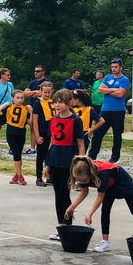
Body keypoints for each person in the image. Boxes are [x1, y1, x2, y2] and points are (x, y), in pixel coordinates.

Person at [66, 156, 133, 253]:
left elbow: (100, 197)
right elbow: (84, 192)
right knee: (105, 210)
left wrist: (90, 214)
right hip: (109, 184)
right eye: (78, 180)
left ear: (91, 173)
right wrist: (71, 207)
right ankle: (105, 242)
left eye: (84, 181)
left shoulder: (102, 174)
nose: (81, 183)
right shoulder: (83, 170)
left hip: (123, 182)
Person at [46, 89, 86, 232]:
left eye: (61, 102)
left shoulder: (76, 120)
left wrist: (81, 162)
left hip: (68, 159)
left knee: (64, 192)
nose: (57, 105)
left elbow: (81, 143)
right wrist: (47, 164)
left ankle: (66, 222)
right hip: (55, 158)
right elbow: (52, 141)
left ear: (69, 103)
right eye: (55, 102)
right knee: (58, 193)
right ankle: (61, 223)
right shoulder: (53, 119)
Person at [88, 58, 129, 163]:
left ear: (121, 67)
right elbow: (100, 90)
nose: (113, 69)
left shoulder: (124, 79)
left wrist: (107, 90)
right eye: (112, 67)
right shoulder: (108, 77)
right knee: (98, 133)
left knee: (117, 135)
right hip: (105, 110)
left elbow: (120, 94)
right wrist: (114, 89)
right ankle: (92, 156)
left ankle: (114, 158)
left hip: (118, 111)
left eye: (116, 67)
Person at [0, 90, 31, 185]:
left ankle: (16, 175)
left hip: (21, 133)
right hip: (11, 133)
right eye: (17, 98)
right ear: (13, 98)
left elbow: (30, 123)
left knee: (19, 155)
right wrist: (5, 104)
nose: (20, 100)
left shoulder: (25, 109)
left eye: (22, 98)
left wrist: (31, 111)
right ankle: (20, 176)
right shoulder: (9, 108)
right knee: (16, 154)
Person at [23, 65, 52, 154]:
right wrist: (35, 92)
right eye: (35, 71)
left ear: (43, 72)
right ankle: (32, 148)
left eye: (38, 71)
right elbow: (25, 93)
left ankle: (46, 146)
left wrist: (34, 93)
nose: (36, 73)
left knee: (43, 127)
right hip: (33, 107)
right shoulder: (33, 82)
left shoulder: (47, 82)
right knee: (32, 126)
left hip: (43, 107)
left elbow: (41, 94)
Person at [31, 81, 54, 186]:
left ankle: (49, 176)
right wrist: (37, 135)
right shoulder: (38, 103)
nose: (47, 94)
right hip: (42, 132)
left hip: (52, 132)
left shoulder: (54, 102)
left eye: (49, 92)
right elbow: (35, 120)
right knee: (41, 155)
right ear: (41, 91)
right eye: (45, 92)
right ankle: (39, 178)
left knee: (50, 155)